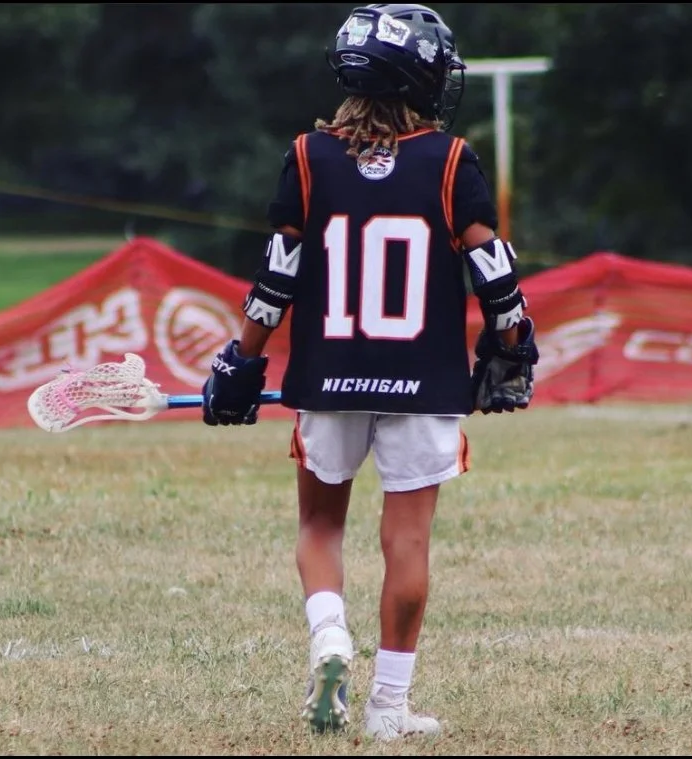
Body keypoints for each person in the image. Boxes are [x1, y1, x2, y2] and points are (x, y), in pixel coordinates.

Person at [200, 2, 539, 742]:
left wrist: (240, 359)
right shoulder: (450, 160)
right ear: (416, 77)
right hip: (423, 380)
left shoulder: (306, 157)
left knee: (320, 524)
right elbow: (492, 268)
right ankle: (388, 707)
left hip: (328, 375)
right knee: (406, 542)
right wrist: (509, 342)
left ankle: (328, 640)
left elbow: (278, 275)